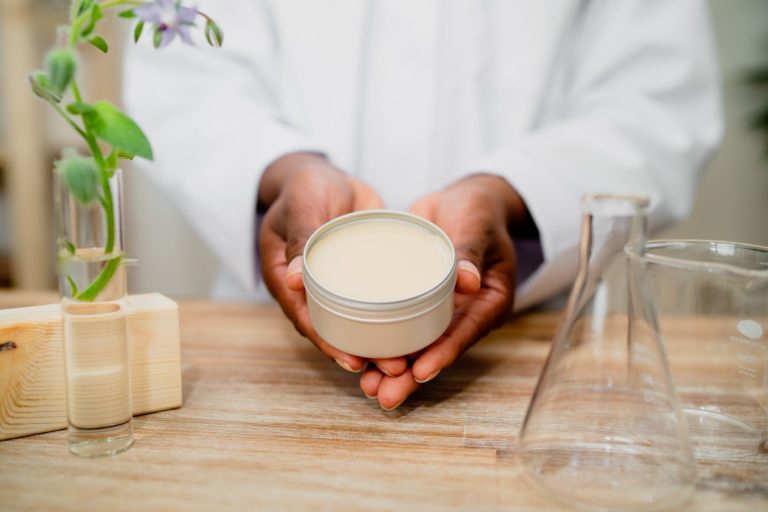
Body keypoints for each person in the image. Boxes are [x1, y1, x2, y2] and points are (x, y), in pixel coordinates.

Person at [124, 0, 722, 410]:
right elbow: (183, 78)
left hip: (536, 356)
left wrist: (511, 194)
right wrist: (285, 172)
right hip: (261, 363)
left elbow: (656, 103)